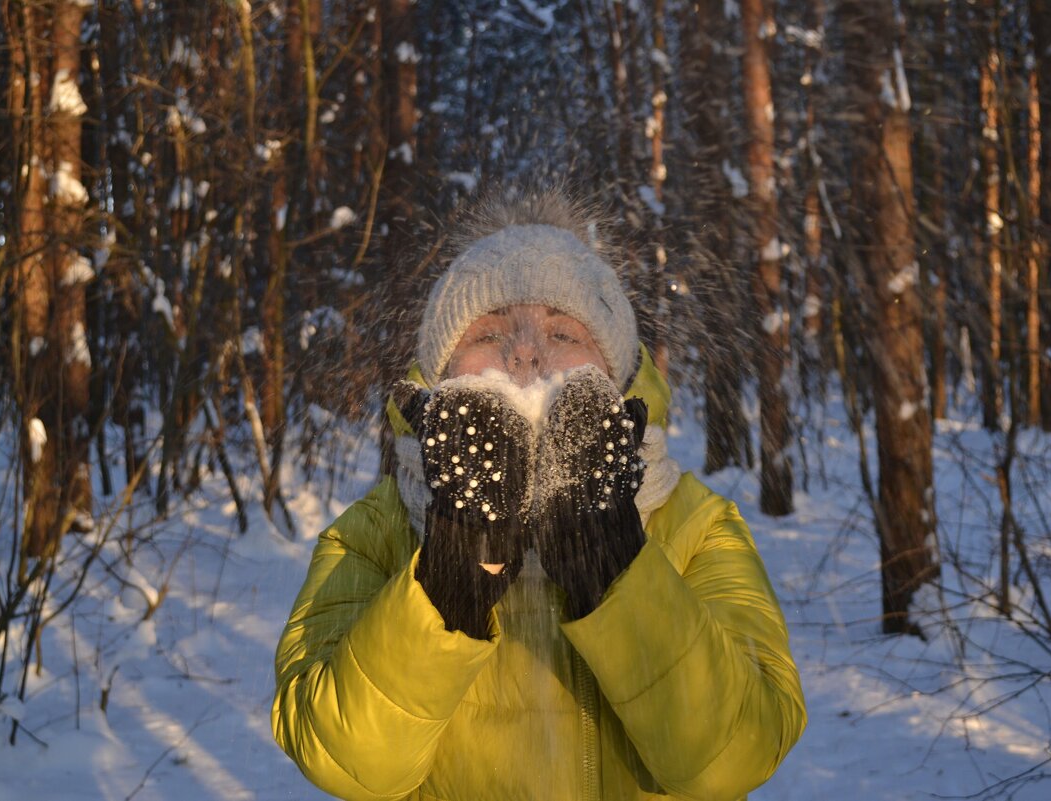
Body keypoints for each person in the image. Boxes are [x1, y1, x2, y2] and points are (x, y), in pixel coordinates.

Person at [272, 191, 806, 801]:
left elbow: (738, 756)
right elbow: (341, 757)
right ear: (442, 374)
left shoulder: (695, 524)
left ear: (615, 374)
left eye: (560, 330)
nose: (524, 350)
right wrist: (447, 585)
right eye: (491, 330)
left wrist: (615, 567)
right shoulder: (375, 533)